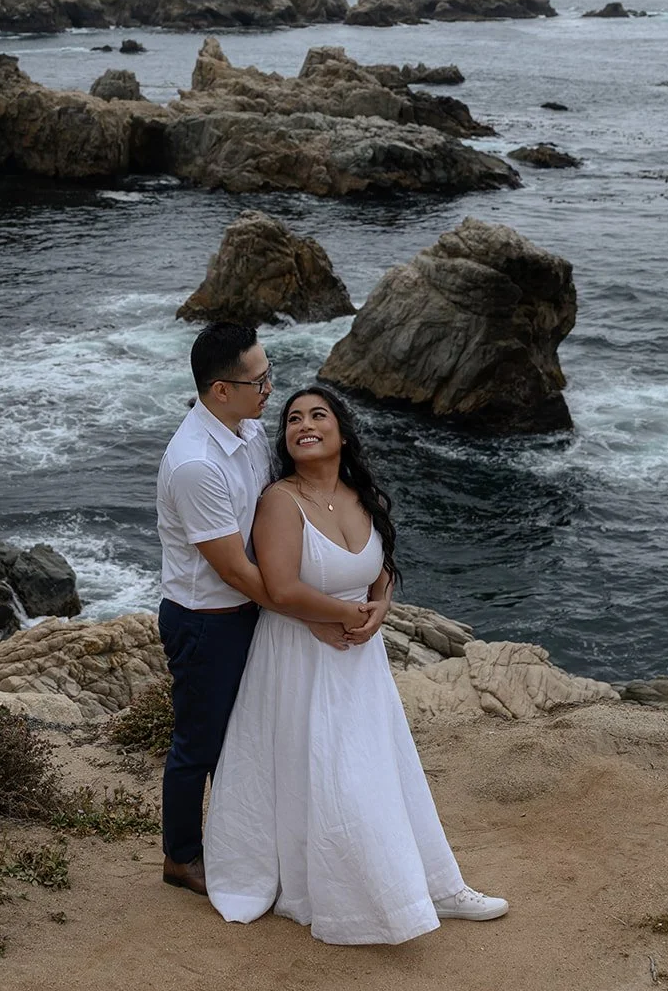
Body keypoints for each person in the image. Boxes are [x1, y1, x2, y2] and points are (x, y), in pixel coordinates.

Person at [203, 384, 509, 943]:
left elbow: (380, 569)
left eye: (318, 415)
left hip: (359, 663)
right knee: (333, 778)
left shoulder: (364, 497)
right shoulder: (280, 502)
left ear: (342, 432)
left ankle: (435, 885)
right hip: (299, 659)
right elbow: (281, 587)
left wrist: (381, 608)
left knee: (381, 771)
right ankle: (354, 899)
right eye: (293, 419)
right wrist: (346, 613)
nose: (304, 425)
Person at [156, 326, 374, 897]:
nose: (270, 388)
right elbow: (233, 568)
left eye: (268, 372)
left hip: (255, 607)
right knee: (200, 743)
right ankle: (181, 856)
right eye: (259, 380)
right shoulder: (195, 464)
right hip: (207, 619)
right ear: (221, 390)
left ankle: (250, 842)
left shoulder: (247, 428)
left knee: (250, 735)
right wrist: (309, 613)